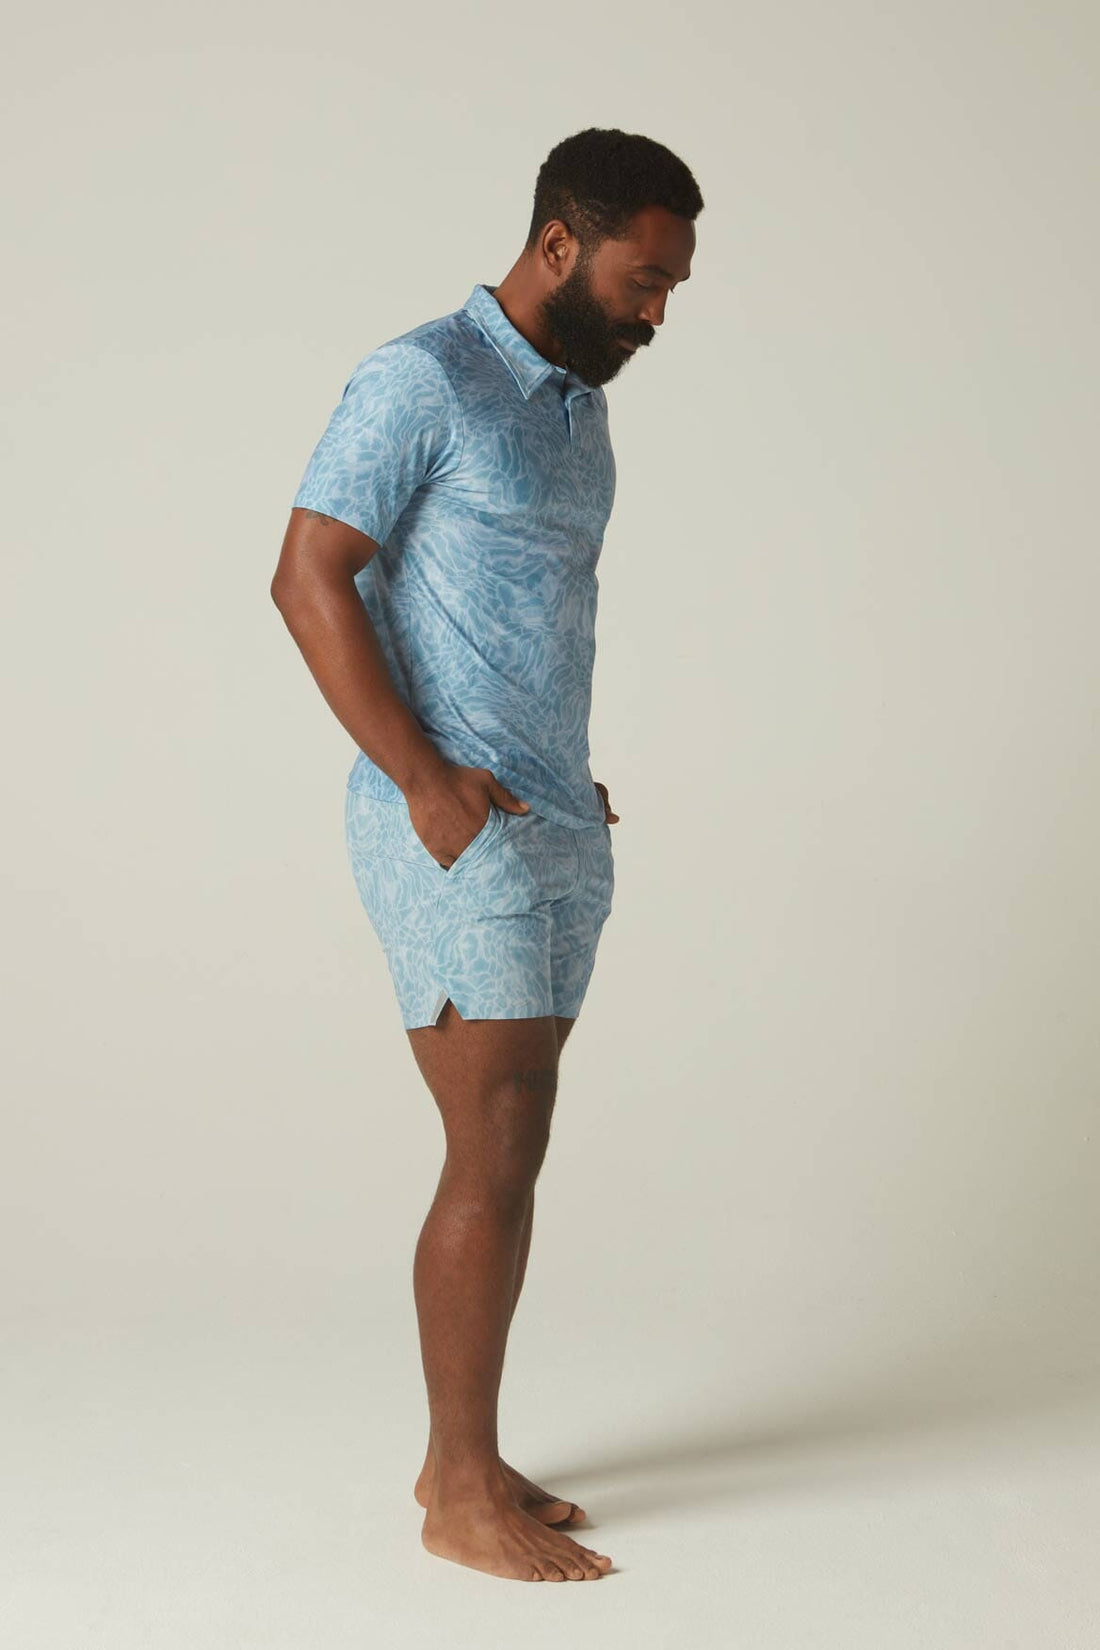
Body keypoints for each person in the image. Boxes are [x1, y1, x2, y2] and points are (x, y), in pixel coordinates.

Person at [270, 125, 701, 1583]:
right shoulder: (422, 378)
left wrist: (560, 777)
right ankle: (457, 1487)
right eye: (644, 281)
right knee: (495, 1138)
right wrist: (425, 778)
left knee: (519, 1136)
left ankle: (467, 1453)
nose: (658, 313)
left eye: (673, 289)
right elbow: (308, 572)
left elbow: (521, 607)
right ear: (559, 243)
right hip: (449, 824)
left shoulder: (579, 411)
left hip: (551, 821)